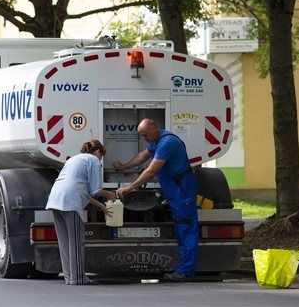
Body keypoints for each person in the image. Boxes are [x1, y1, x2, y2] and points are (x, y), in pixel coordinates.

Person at [114, 119, 198, 281]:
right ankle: (184, 269)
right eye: (141, 135)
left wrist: (129, 188)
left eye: (145, 134)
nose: (144, 138)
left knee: (186, 229)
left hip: (182, 191)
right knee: (182, 228)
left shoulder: (168, 142)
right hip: (175, 191)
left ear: (154, 128)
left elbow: (151, 171)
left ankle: (185, 271)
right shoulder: (157, 140)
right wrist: (124, 166)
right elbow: (142, 156)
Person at [46, 140, 116, 285]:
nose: (101, 160)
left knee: (64, 242)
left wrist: (102, 207)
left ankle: (69, 276)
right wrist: (110, 195)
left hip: (55, 199)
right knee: (76, 241)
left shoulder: (74, 159)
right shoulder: (94, 160)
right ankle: (78, 278)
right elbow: (95, 190)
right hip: (71, 202)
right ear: (98, 152)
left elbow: (84, 192)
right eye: (101, 156)